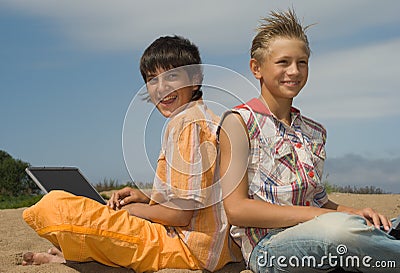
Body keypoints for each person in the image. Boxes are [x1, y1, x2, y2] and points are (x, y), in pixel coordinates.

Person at [22, 35, 242, 272]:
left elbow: (180, 216)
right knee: (105, 221)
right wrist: (146, 199)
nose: (161, 88)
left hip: (187, 248)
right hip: (214, 249)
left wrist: (134, 211)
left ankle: (75, 256)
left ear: (195, 79)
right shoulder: (207, 119)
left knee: (53, 206)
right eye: (152, 80)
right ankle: (76, 255)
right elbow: (197, 201)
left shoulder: (186, 124)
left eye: (172, 76)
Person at [218, 9, 400, 273]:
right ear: (256, 68)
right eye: (283, 62)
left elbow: (319, 201)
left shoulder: (314, 131)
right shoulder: (238, 122)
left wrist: (355, 212)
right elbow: (237, 209)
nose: (294, 71)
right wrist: (328, 218)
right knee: (340, 231)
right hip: (269, 248)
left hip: (323, 229)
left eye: (302, 62)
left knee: (370, 225)